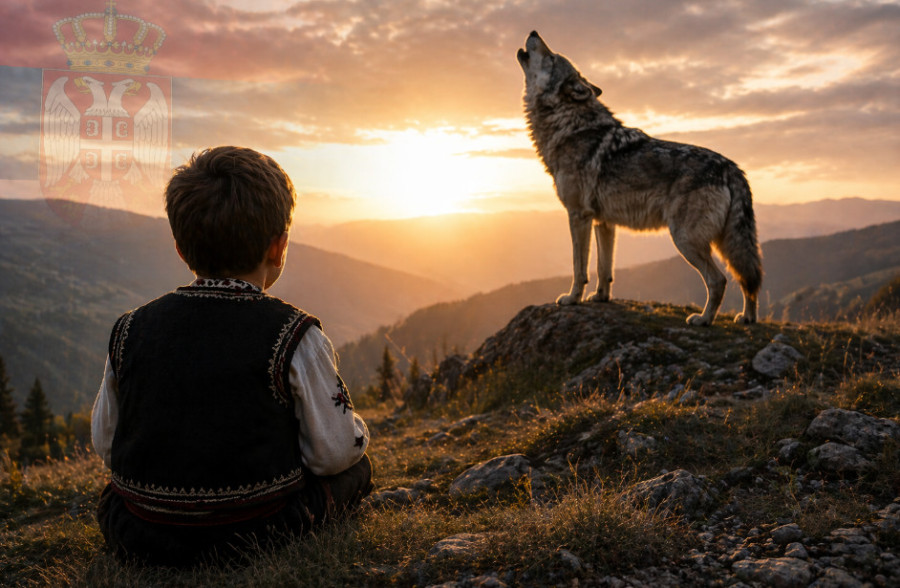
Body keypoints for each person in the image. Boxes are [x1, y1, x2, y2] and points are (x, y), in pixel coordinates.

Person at [91, 146, 373, 566]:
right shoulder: (294, 333)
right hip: (258, 532)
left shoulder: (130, 329)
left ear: (181, 248)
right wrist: (359, 431)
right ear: (278, 247)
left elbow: (106, 444)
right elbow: (332, 454)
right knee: (359, 469)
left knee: (113, 494)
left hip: (139, 533)